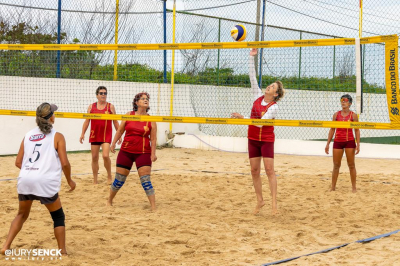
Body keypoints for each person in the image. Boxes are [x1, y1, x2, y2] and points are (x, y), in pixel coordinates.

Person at [1, 103, 76, 256]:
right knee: (58, 216)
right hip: (45, 182)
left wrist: (31, 171)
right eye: (54, 113)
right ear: (51, 118)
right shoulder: (57, 136)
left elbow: (17, 162)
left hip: (25, 179)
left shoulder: (28, 135)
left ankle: (5, 246)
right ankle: (62, 251)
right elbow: (65, 163)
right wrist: (70, 180)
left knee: (21, 215)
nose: (55, 115)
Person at [231, 48, 285, 215]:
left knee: (269, 170)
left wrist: (242, 118)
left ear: (275, 94)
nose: (268, 87)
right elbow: (252, 77)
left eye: (272, 87)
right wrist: (251, 57)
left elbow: (260, 124)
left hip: (266, 139)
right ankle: (260, 201)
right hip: (252, 138)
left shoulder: (274, 107)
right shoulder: (257, 96)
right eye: (269, 85)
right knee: (254, 171)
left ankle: (274, 203)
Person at [107, 92, 157, 211]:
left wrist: (153, 154)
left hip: (143, 152)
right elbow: (120, 131)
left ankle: (154, 207)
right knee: (119, 180)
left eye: (147, 99)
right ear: (136, 102)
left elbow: (153, 139)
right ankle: (109, 201)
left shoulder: (151, 119)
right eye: (143, 99)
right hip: (126, 151)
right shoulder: (129, 115)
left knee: (145, 180)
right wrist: (113, 143)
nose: (146, 100)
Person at [79, 86, 121, 185]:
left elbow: (115, 122)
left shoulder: (110, 106)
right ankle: (95, 179)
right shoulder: (91, 107)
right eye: (101, 93)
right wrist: (82, 133)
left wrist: (119, 135)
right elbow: (87, 121)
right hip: (95, 134)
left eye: (105, 93)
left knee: (105, 155)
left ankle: (109, 176)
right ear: (97, 95)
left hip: (106, 135)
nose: (103, 95)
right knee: (94, 157)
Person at [325, 94, 360, 193]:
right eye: (342, 100)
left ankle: (354, 188)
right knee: (336, 165)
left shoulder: (353, 115)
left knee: (351, 165)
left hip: (349, 141)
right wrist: (327, 143)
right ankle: (333, 187)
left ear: (350, 103)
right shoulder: (336, 115)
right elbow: (332, 129)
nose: (343, 102)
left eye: (345, 100)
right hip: (338, 141)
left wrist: (358, 144)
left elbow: (357, 130)